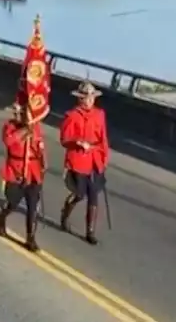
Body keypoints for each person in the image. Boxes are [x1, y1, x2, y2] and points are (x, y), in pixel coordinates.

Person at [60, 81, 109, 245]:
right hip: (78, 159)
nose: (89, 100)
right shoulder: (72, 115)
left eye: (92, 97)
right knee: (79, 194)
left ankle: (90, 231)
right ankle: (65, 214)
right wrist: (78, 142)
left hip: (94, 159)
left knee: (94, 196)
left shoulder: (100, 114)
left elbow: (103, 138)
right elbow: (65, 139)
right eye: (86, 97)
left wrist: (103, 158)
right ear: (80, 99)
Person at [0, 103, 45, 251]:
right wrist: (24, 131)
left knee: (32, 206)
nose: (17, 116)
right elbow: (9, 141)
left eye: (20, 113)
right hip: (16, 170)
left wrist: (43, 162)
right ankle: (1, 218)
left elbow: (40, 145)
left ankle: (31, 238)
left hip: (32, 170)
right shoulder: (9, 126)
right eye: (15, 113)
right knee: (13, 203)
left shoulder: (35, 126)